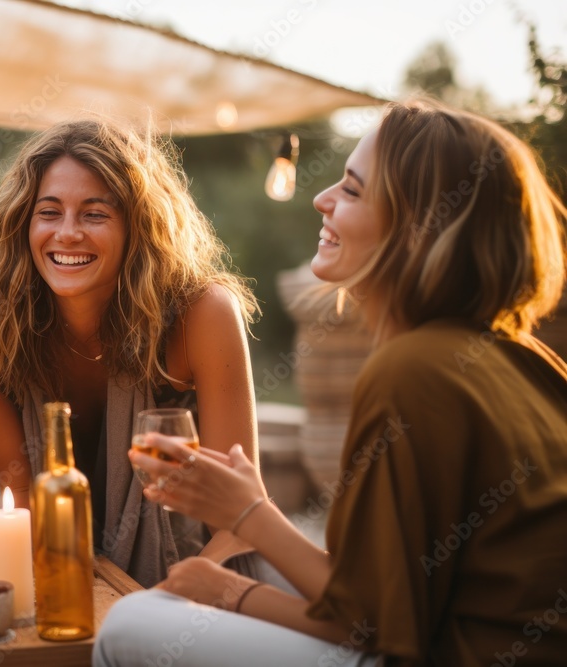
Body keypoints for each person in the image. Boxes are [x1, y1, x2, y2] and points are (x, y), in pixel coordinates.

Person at [95, 98, 567, 666]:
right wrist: (244, 549)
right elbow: (381, 591)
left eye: (352, 190)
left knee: (129, 623)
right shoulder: (524, 357)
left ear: (418, 228)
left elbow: (377, 624)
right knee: (250, 565)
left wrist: (240, 543)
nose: (322, 199)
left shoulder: (415, 370)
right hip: (447, 631)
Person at [0, 118, 259, 587]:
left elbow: (242, 515)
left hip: (198, 568)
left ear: (138, 227)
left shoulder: (202, 315)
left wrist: (169, 601)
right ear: (24, 223)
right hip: (52, 549)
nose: (67, 233)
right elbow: (20, 499)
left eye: (94, 214)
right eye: (49, 212)